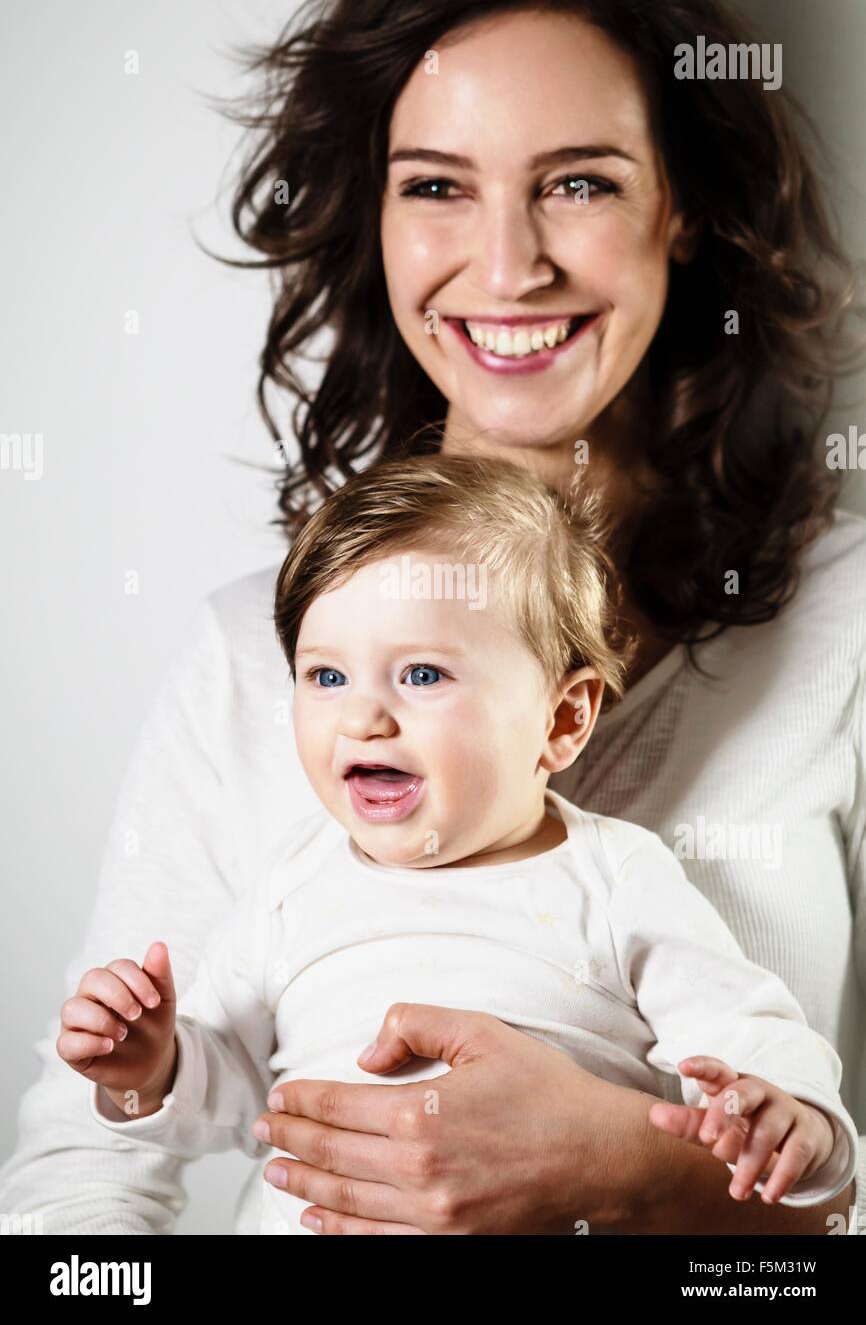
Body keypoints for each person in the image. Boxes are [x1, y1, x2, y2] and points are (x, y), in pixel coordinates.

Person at [2, 0, 864, 1235]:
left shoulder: (838, 625)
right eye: (436, 186)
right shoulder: (254, 650)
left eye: (576, 182)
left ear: (680, 205)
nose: (509, 265)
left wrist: (646, 1174)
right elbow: (89, 1166)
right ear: (376, 215)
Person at [56, 456, 859, 1233]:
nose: (362, 718)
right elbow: (227, 1091)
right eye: (326, 677)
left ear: (563, 719)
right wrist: (151, 1067)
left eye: (423, 675)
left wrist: (785, 1116)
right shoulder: (288, 886)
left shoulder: (615, 878)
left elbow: (747, 1029)